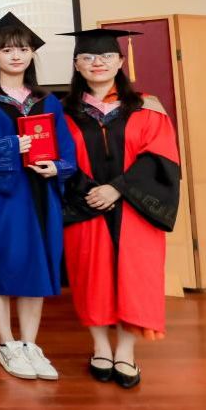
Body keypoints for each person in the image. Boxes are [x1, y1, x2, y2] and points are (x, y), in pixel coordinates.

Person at [60, 28, 181, 389]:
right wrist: (90, 191)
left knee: (136, 276)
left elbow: (160, 158)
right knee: (90, 275)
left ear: (120, 61)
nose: (97, 63)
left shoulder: (147, 107)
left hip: (135, 207)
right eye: (87, 57)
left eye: (106, 56)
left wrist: (117, 188)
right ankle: (100, 347)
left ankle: (126, 351)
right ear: (77, 65)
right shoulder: (62, 112)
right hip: (86, 204)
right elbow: (58, 158)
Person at [0, 12, 77, 381]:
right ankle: (7, 343)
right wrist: (11, 145)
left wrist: (57, 166)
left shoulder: (47, 101)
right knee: (2, 263)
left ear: (31, 55)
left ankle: (30, 343)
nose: (16, 56)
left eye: (23, 49)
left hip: (40, 192)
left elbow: (66, 148)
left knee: (36, 264)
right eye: (8, 49)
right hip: (2, 196)